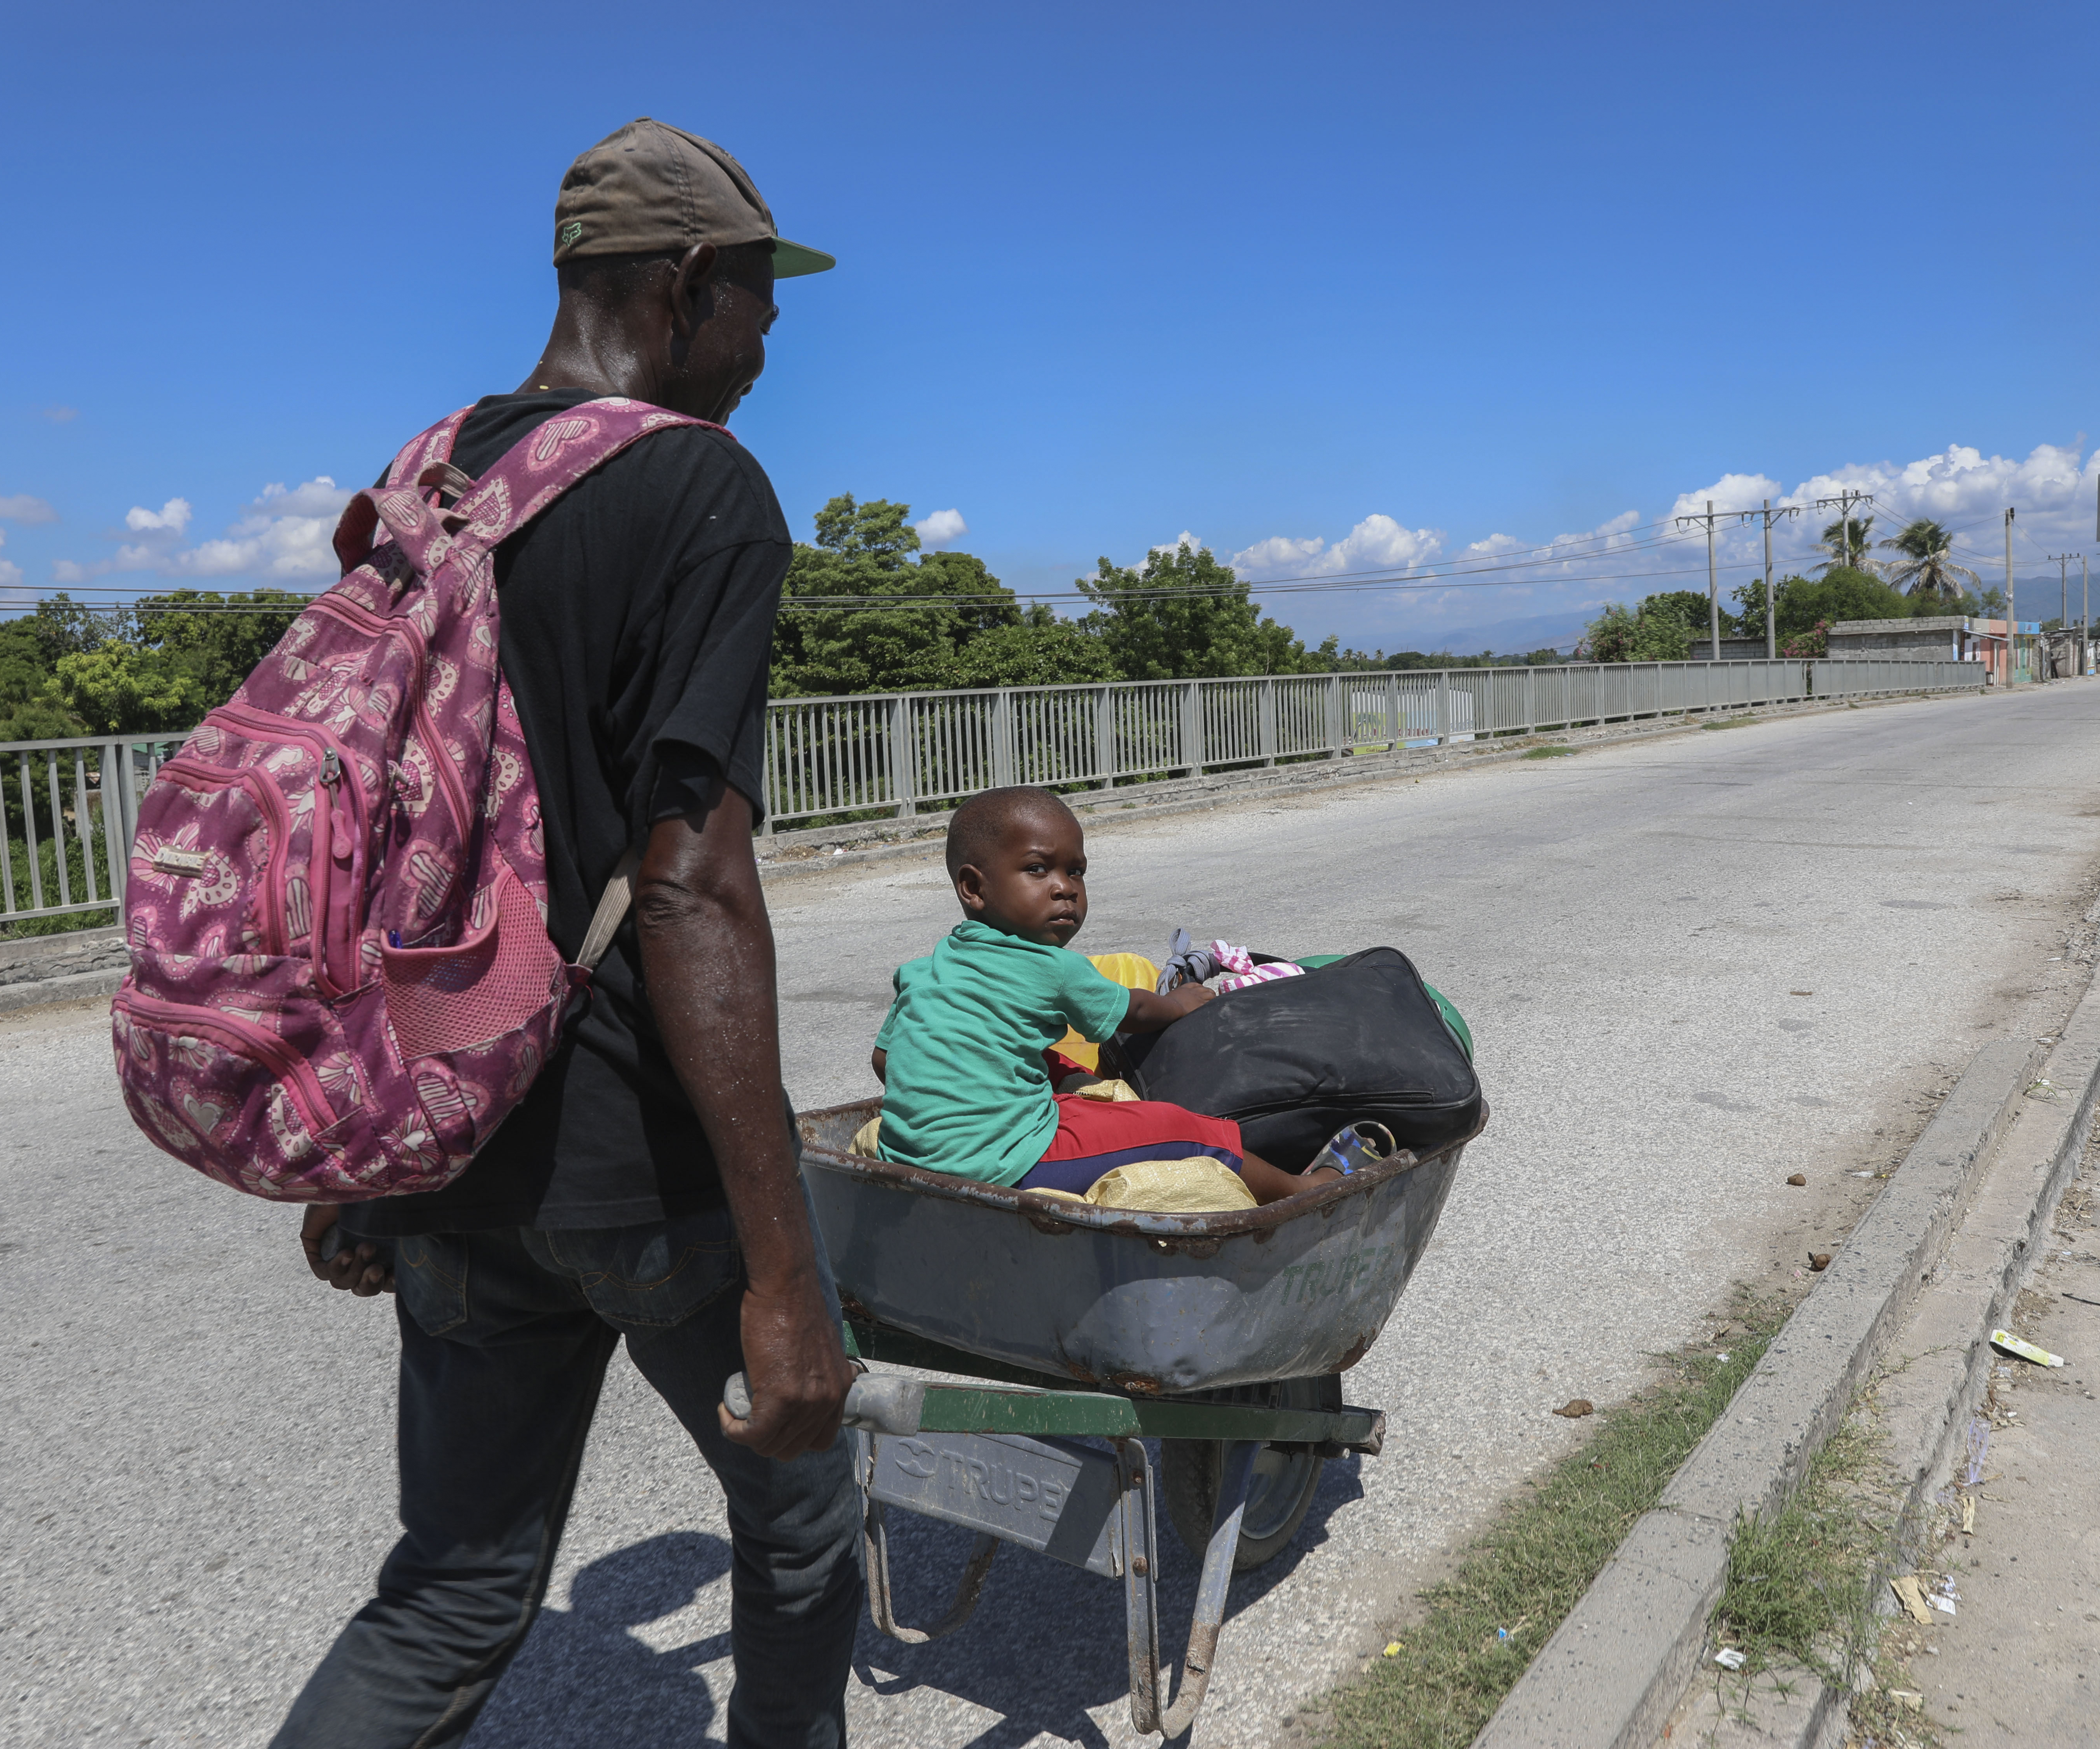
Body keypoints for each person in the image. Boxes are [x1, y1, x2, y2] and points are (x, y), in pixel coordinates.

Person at [277, 119, 859, 1749]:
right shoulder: (700, 485)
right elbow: (688, 879)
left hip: (446, 1133)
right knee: (805, 1516)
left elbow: (369, 836)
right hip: (632, 1148)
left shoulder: (434, 477)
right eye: (754, 309)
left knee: (456, 1590)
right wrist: (783, 1267)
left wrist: (357, 1147)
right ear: (683, 288)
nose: (758, 352)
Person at [868, 786, 1347, 1204]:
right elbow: (1133, 1010)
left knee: (1048, 1065)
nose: (1065, 889)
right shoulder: (1053, 967)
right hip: (1006, 1162)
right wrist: (1179, 1003)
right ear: (973, 887)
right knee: (1180, 1128)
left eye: (1075, 872)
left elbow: (886, 1061)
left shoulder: (924, 969)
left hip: (908, 1153)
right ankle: (1297, 1189)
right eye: (1038, 869)